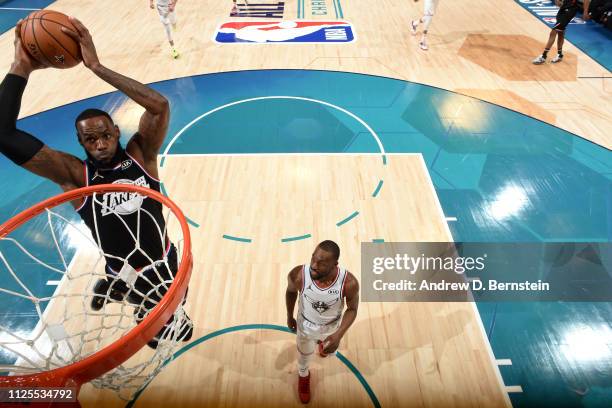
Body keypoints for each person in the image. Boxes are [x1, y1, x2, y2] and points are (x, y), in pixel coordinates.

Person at [0, 18, 192, 349]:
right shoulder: (75, 175)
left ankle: (119, 289)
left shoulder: (141, 154)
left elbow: (159, 106)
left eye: (105, 135)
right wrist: (21, 67)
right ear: (80, 142)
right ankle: (117, 286)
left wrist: (96, 67)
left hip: (163, 260)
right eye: (91, 140)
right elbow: (3, 133)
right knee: (154, 328)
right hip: (124, 269)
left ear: (117, 131)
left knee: (177, 309)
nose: (100, 144)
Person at [285, 240, 359, 404]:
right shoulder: (298, 275)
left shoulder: (349, 283)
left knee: (328, 349)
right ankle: (304, 375)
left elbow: (352, 309)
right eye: (313, 258)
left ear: (334, 264)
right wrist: (290, 316)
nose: (314, 265)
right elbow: (290, 292)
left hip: (332, 327)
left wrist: (339, 335)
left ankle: (323, 344)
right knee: (304, 357)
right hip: (306, 325)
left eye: (321, 263)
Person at [532, 0, 591, 64]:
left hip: (571, 9)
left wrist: (585, 11)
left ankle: (543, 56)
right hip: (564, 7)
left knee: (553, 31)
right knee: (561, 32)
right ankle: (559, 54)